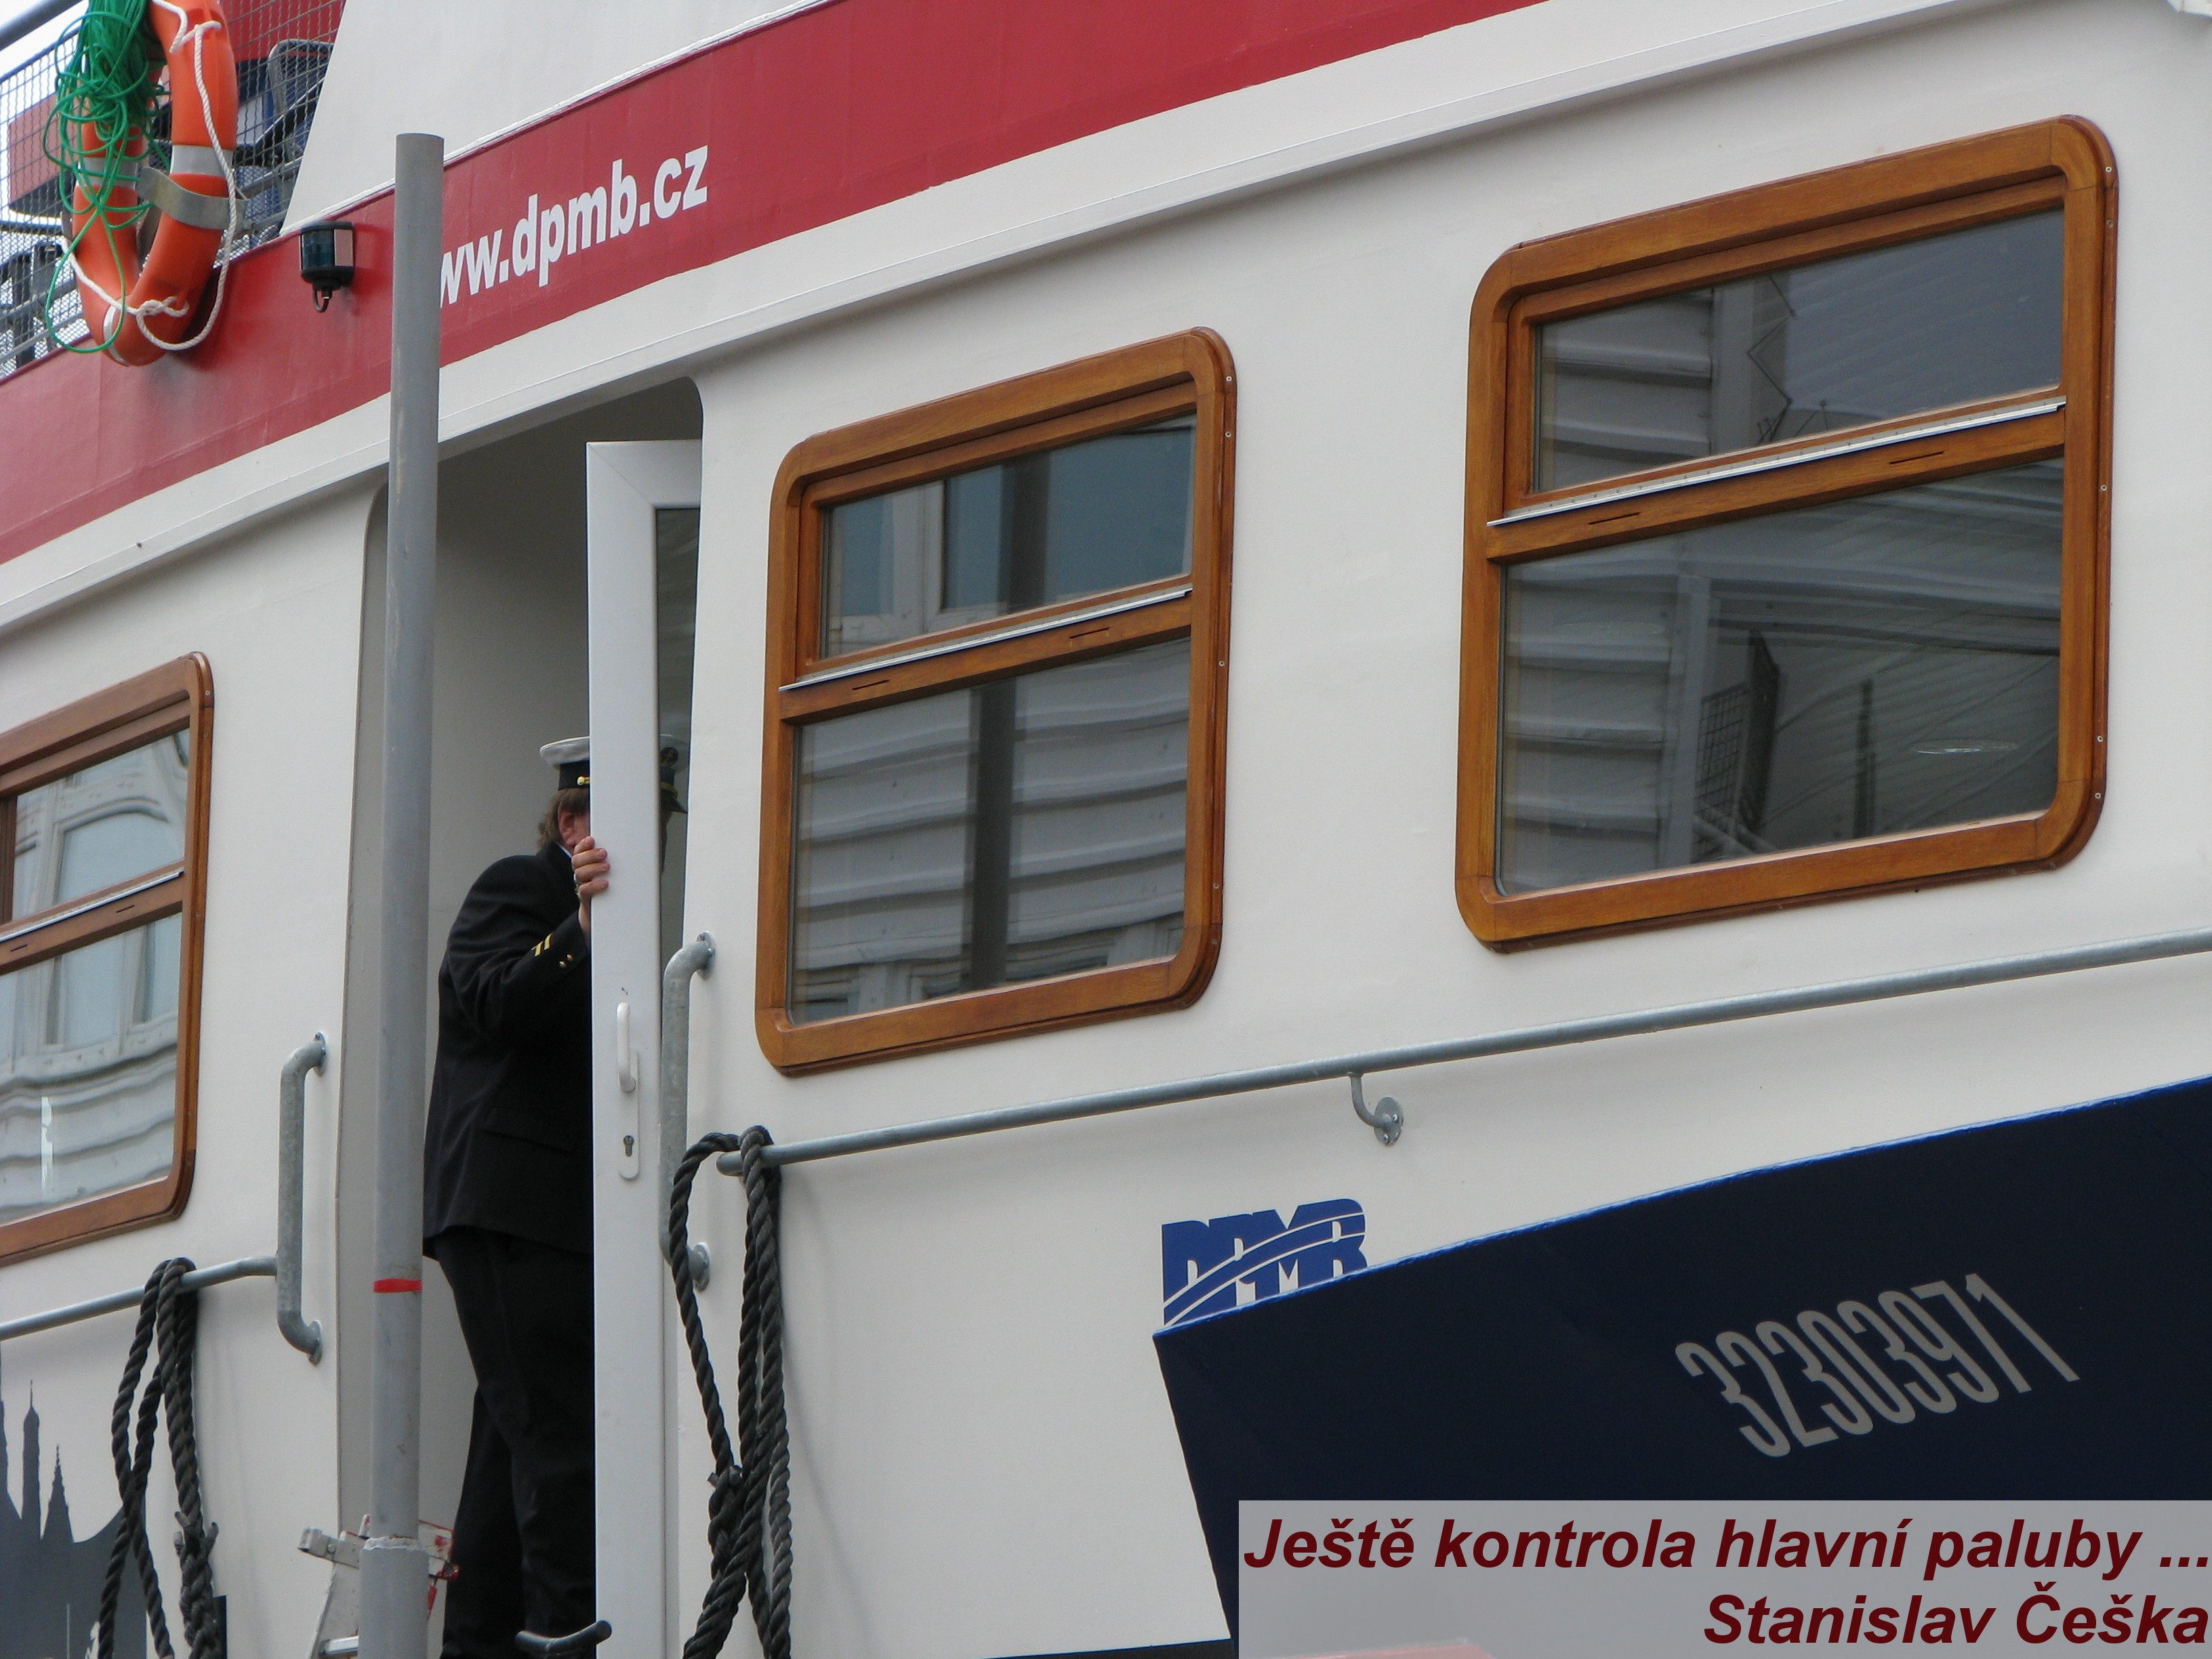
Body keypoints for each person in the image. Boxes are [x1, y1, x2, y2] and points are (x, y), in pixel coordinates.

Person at [422, 738, 611, 1656]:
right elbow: (494, 997)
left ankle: (480, 1642)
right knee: (561, 1446)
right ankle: (566, 1638)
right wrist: (578, 934)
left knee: (512, 1450)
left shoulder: (610, 921)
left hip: (552, 1214)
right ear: (571, 823)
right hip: (510, 1207)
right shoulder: (517, 890)